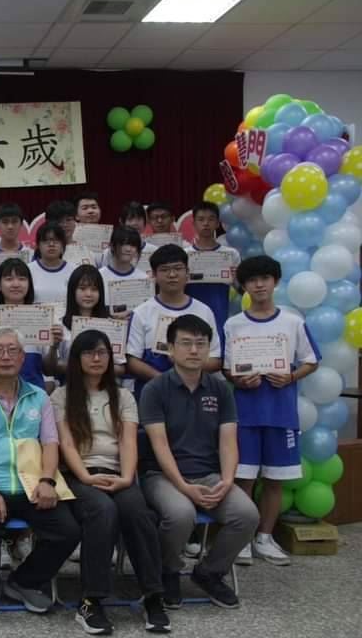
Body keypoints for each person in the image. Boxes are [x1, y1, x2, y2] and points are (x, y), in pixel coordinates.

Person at [51, 330, 170, 635]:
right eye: (89, 352)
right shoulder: (60, 396)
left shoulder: (124, 396)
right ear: (76, 359)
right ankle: (91, 601)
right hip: (78, 474)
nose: (96, 358)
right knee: (102, 510)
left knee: (138, 513)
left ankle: (153, 596)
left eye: (102, 352)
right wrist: (85, 476)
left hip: (118, 472)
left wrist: (127, 478)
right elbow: (65, 443)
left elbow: (128, 441)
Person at [139, 314, 260, 609]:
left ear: (208, 348)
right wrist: (183, 486)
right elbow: (159, 445)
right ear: (170, 349)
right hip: (162, 476)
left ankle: (209, 572)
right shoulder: (155, 389)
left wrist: (227, 481)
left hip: (209, 474)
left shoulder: (220, 389)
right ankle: (168, 571)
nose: (194, 350)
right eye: (185, 343)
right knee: (181, 514)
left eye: (200, 343)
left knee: (247, 514)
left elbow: (228, 441)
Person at [0, 326, 81, 616]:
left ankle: (24, 581)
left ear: (23, 357)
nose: (6, 356)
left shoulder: (39, 397)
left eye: (12, 350)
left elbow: (50, 442)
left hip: (32, 483)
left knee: (68, 531)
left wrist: (47, 481)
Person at [224, 256, 319, 566]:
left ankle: (265, 538)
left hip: (281, 413)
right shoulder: (233, 324)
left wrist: (291, 376)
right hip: (245, 414)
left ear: (275, 281)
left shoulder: (292, 321)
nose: (259, 285)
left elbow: (311, 360)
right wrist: (239, 379)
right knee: (243, 479)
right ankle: (242, 539)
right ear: (244, 286)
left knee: (275, 480)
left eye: (265, 278)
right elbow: (227, 367)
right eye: (252, 280)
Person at [127, 245, 221, 398]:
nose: (172, 275)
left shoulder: (204, 311)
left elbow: (215, 359)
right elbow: (132, 360)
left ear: (187, 273)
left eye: (178, 268)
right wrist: (165, 381)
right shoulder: (141, 312)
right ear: (154, 275)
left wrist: (189, 365)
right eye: (164, 270)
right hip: (154, 394)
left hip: (196, 393)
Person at [0, 259, 58, 391]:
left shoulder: (42, 316)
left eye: (22, 279)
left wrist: (54, 347)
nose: (16, 284)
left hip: (34, 392)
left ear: (29, 284)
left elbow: (49, 370)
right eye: (9, 279)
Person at [43, 266, 123, 379]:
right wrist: (53, 347)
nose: (88, 294)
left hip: (104, 386)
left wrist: (93, 368)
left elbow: (121, 368)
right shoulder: (60, 325)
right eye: (82, 288)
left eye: (94, 289)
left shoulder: (112, 325)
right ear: (72, 291)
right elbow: (49, 369)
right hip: (69, 385)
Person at [186, 201, 239, 349]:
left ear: (217, 223)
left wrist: (235, 279)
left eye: (211, 219)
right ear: (194, 224)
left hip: (219, 310)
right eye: (201, 219)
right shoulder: (185, 254)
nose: (206, 223)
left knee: (217, 347)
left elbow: (240, 288)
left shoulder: (231, 254)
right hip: (190, 310)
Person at [99, 225, 150, 312]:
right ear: (112, 246)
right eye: (124, 244)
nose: (128, 249)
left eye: (133, 245)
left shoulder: (144, 279)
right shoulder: (99, 276)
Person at [29, 221, 76, 305]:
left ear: (63, 246)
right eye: (46, 241)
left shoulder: (74, 271)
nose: (51, 244)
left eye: (56, 241)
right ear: (38, 246)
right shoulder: (28, 270)